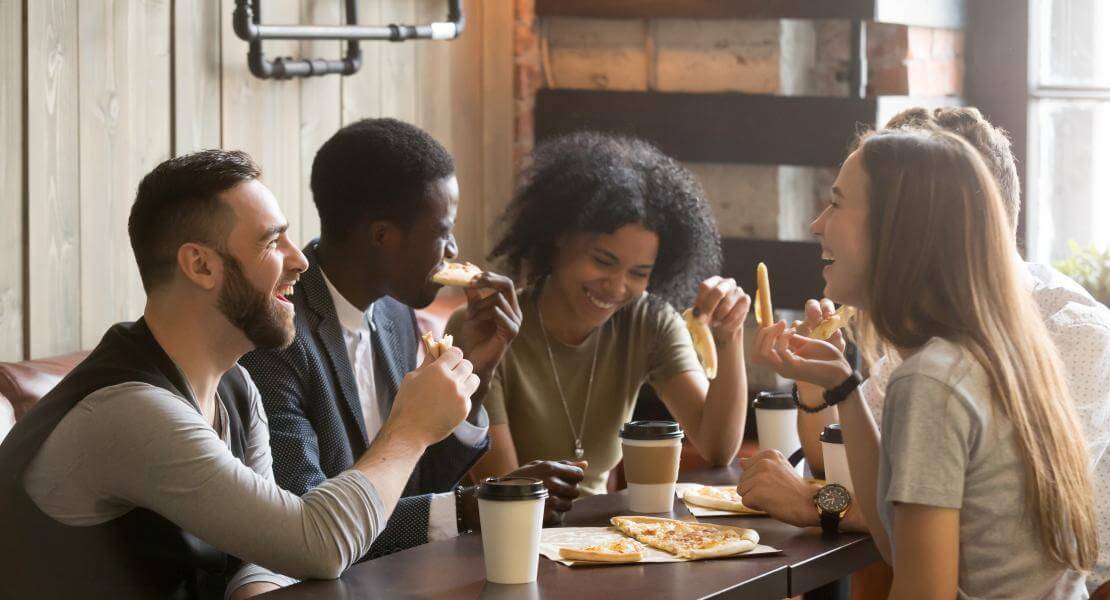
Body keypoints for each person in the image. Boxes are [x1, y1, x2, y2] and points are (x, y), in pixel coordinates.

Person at [0, 149, 478, 599]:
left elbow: (262, 551)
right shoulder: (129, 411)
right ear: (201, 265)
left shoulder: (236, 386)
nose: (300, 260)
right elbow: (319, 543)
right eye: (272, 241)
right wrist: (410, 429)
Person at [738, 107, 1110, 594]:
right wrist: (844, 388)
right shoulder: (991, 350)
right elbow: (895, 541)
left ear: (898, 234)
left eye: (838, 203)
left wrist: (817, 500)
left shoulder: (933, 381)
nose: (816, 224)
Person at [240, 118, 584, 559]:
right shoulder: (277, 336)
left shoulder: (396, 313)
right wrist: (467, 509)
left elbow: (419, 484)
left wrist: (479, 368)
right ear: (383, 236)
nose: (454, 250)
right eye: (443, 232)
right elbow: (310, 522)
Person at [458, 132, 751, 495]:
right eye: (603, 261)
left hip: (604, 539)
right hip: (509, 537)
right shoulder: (487, 327)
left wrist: (729, 337)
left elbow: (718, 447)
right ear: (559, 236)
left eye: (639, 273)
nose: (616, 286)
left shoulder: (649, 322)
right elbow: (504, 494)